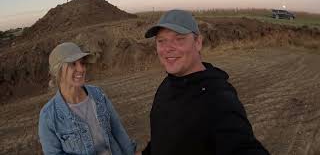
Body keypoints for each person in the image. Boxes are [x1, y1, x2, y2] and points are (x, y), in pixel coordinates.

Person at [139, 10, 270, 155]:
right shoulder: (167, 84)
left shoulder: (218, 99)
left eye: (179, 39)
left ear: (198, 43)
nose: (168, 48)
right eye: (161, 41)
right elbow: (164, 136)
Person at [38, 42, 136, 155]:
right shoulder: (48, 116)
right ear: (58, 71)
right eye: (73, 64)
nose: (81, 69)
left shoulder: (98, 94)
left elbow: (118, 130)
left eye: (82, 63)